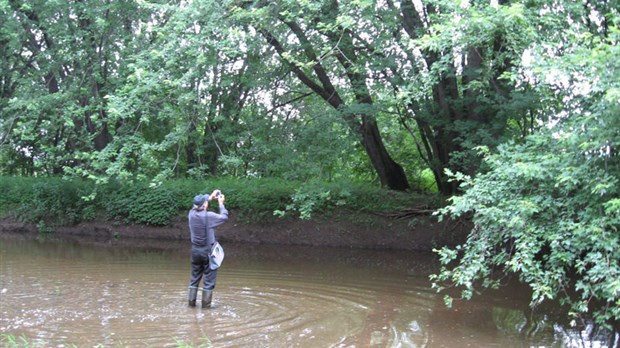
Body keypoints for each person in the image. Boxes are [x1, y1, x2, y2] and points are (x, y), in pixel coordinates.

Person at [188, 189, 228, 308]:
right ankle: (206, 308)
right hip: (208, 252)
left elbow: (199, 205)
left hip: (195, 251)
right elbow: (224, 217)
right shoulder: (209, 216)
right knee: (209, 281)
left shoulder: (191, 214)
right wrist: (221, 203)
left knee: (194, 279)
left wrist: (209, 197)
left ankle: (191, 305)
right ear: (205, 205)